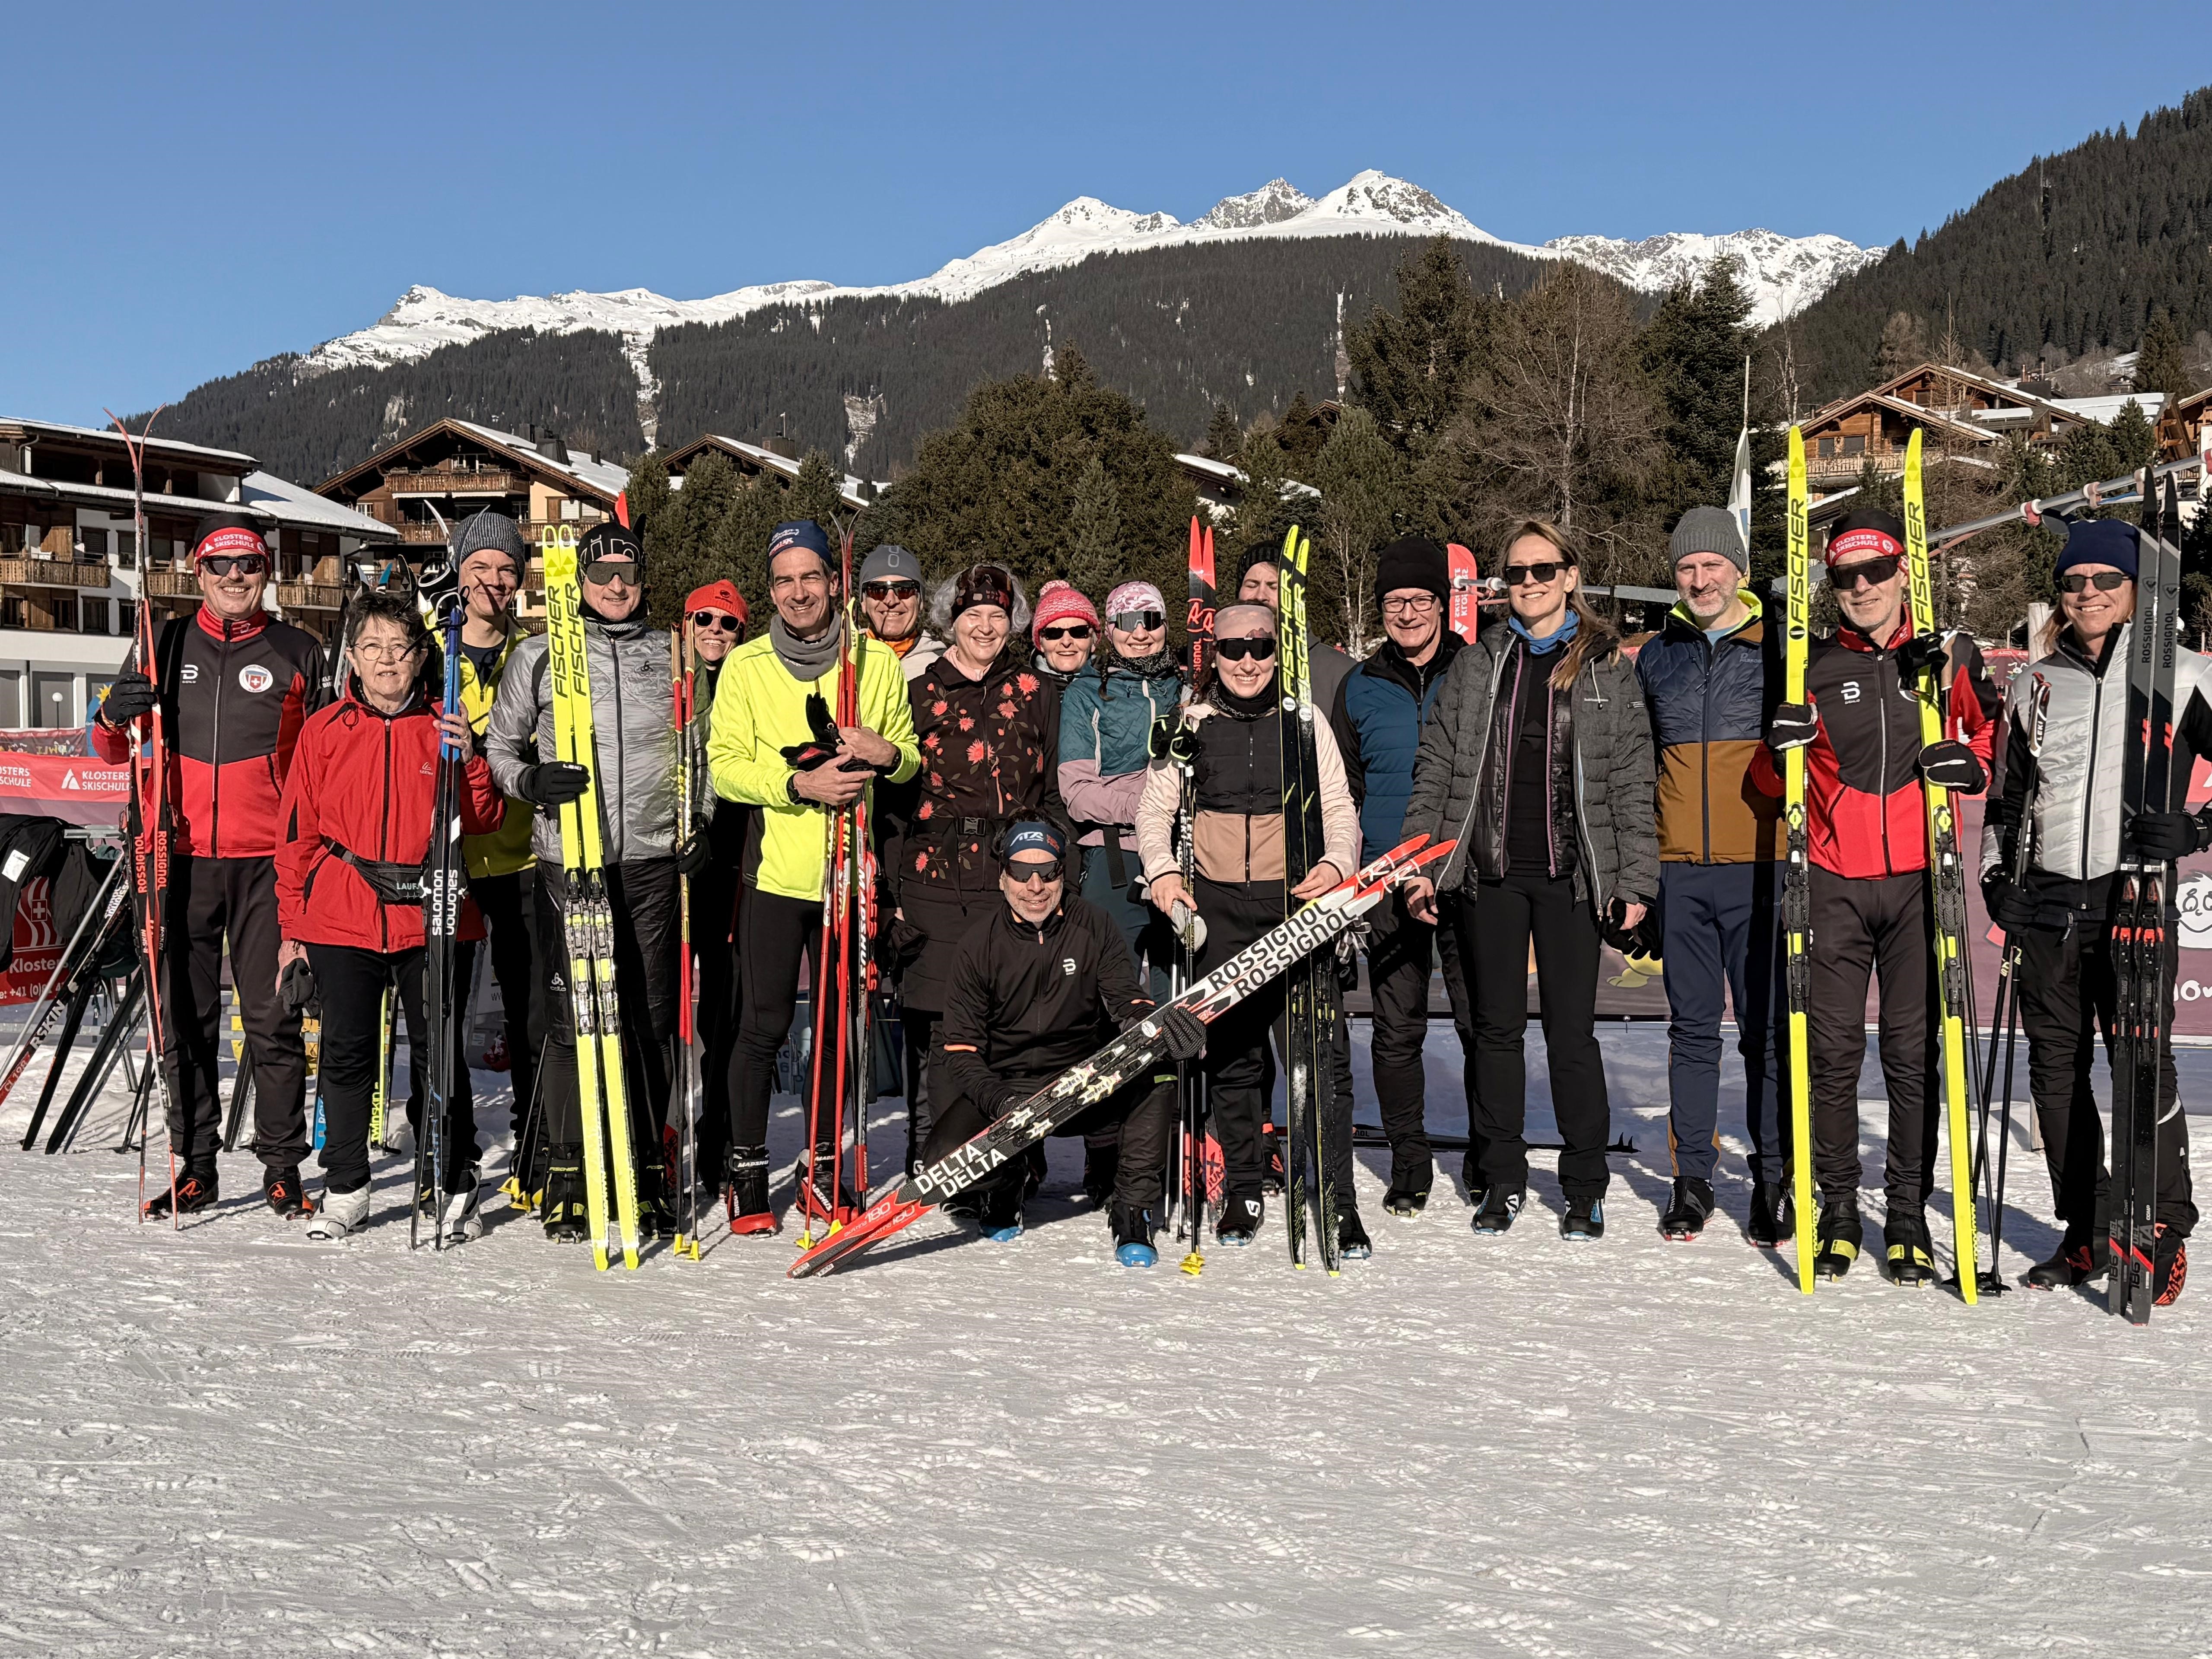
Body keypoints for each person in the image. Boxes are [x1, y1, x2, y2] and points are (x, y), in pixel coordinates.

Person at [1754, 507, 1996, 1282]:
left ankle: (1906, 1215)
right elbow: (1770, 786)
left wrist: (1969, 767)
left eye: (1876, 572)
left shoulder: (1948, 657)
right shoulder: (1812, 664)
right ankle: (1841, 1209)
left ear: (1904, 575)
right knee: (1830, 1055)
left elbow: (1989, 744)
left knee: (1909, 1056)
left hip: (1922, 884)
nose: (1862, 588)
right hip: (1832, 883)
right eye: (1846, 577)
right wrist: (1776, 745)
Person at [1398, 520, 1658, 1242]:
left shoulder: (1608, 667)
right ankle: (1504, 1179)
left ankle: (1584, 1185)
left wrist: (1635, 882)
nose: (1531, 584)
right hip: (1491, 876)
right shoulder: (1481, 664)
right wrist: (1423, 867)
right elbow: (1438, 771)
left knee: (1572, 1037)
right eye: (1516, 574)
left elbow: (1635, 783)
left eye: (1544, 570)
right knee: (1496, 1033)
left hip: (1573, 878)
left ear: (1572, 575)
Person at [1981, 518, 2205, 1300]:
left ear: (2135, 593)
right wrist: (1994, 880)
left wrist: (2197, 827)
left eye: (2105, 582)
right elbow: (2007, 801)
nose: (2088, 595)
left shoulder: (2185, 675)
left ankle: (2164, 1225)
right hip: (2047, 904)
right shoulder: (2032, 682)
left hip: (2134, 894)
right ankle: (2086, 1228)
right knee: (2054, 1076)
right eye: (2075, 583)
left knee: (2142, 1066)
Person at [91, 512, 322, 1219]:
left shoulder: (299, 650)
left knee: (273, 1020)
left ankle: (283, 1168)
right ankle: (195, 1168)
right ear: (198, 572)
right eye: (220, 565)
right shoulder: (160, 642)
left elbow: (322, 763)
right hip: (179, 861)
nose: (234, 577)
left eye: (248, 565)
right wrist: (110, 714)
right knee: (182, 1022)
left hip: (265, 867)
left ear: (266, 573)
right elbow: (109, 750)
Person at [485, 521, 694, 1242]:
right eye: (601, 575)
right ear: (581, 582)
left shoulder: (672, 654)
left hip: (650, 861)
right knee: (577, 1015)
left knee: (651, 1015)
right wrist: (530, 780)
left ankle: (645, 1164)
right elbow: (499, 748)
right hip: (568, 860)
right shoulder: (540, 655)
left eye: (627, 577)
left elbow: (700, 747)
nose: (614, 587)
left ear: (642, 581)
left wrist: (694, 825)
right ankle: (569, 1164)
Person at [708, 521, 918, 1232]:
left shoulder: (876, 664)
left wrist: (886, 754)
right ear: (773, 590)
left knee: (838, 1028)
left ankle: (824, 1166)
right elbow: (726, 768)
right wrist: (800, 787)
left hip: (848, 877)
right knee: (762, 1025)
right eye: (784, 580)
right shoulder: (746, 667)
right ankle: (745, 1169)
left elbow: (912, 759)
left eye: (812, 577)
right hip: (774, 875)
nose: (799, 592)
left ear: (836, 583)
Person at [1137, 601, 1365, 1252]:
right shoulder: (1191, 722)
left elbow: (1340, 804)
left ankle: (1338, 1201)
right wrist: (1162, 874)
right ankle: (1240, 1189)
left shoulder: (1305, 721)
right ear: (1216, 653)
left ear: (1276, 652)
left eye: (1259, 648)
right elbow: (1155, 811)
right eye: (1233, 649)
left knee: (1318, 1062)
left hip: (1293, 905)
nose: (1246, 662)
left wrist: (1334, 863)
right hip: (1219, 911)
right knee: (1233, 1060)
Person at [275, 593, 505, 1239]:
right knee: (347, 1055)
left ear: (419, 657)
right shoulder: (324, 730)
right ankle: (347, 1183)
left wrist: (474, 762)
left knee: (439, 1057)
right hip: (342, 913)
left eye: (398, 649)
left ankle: (448, 1176)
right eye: (372, 647)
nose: (385, 661)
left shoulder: (445, 722)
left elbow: (484, 821)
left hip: (429, 914)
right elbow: (295, 836)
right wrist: (292, 931)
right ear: (352, 656)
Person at [933, 820, 1198, 1260]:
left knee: (1160, 1068)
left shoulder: (1093, 924)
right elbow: (960, 1049)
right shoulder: (977, 944)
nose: (1034, 886)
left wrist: (1161, 1028)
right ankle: (1007, 1181)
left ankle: (1131, 1209)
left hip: (1082, 1081)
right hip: (1010, 1090)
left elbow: (1127, 1001)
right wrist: (998, 1101)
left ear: (1063, 874)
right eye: (1021, 872)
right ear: (1003, 877)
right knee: (942, 1165)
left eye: (1048, 872)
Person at [1634, 507, 1787, 1244]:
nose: (1700, 579)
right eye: (1687, 568)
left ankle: (1773, 1179)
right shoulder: (1657, 656)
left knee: (1763, 1032)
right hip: (1680, 872)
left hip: (1759, 866)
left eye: (1713, 566)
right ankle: (1691, 1179)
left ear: (1739, 571)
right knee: (1692, 1031)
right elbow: (1638, 769)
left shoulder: (1781, 648)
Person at [898, 564, 1068, 1176]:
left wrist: (1055, 873)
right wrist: (893, 889)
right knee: (944, 1024)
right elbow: (894, 800)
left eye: (998, 615)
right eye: (974, 615)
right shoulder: (918, 691)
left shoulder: (1036, 690)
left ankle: (1016, 1160)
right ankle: (936, 1156)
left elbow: (1049, 793)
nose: (986, 626)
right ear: (952, 620)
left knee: (1017, 1019)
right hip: (936, 875)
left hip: (1014, 876)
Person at [1328, 537, 1474, 1217]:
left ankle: (1485, 1153)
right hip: (1386, 874)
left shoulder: (1477, 670)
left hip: (1468, 870)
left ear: (1442, 604)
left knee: (1484, 1024)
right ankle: (1409, 1161)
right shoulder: (1359, 685)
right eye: (1394, 602)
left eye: (1419, 600)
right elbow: (1343, 789)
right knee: (1396, 1028)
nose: (1407, 613)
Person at [1058, 578, 1183, 1205]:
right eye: (1128, 620)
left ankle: (1166, 1147)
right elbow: (1077, 789)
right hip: (1112, 856)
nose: (1141, 631)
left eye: (1152, 617)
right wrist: (1153, 803)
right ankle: (1105, 1149)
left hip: (1184, 863)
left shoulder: (1188, 685)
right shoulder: (1088, 690)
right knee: (1111, 1003)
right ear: (1109, 630)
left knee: (1171, 1002)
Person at [438, 512, 543, 1203]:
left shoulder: (537, 654)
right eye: (482, 567)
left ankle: (534, 1151)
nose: (495, 581)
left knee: (531, 1013)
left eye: (507, 569)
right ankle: (450, 1152)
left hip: (522, 855)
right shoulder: (429, 651)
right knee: (442, 1016)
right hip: (442, 860)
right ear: (460, 569)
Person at [682, 578, 750, 1191]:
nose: (714, 632)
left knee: (723, 1015)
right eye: (703, 620)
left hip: (728, 861)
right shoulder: (667, 684)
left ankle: (718, 1139)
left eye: (727, 624)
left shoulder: (746, 683)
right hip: (668, 863)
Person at [1236, 546, 1354, 717]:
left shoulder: (1342, 674)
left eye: (1274, 586)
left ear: (1296, 595)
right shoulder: (1225, 669)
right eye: (1252, 585)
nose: (1260, 595)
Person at [858, 543, 942, 680]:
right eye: (878, 590)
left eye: (904, 590)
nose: (891, 601)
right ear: (864, 602)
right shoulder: (844, 661)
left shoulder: (944, 667)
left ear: (920, 601)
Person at [1032, 580, 1099, 688]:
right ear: (1041, 643)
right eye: (1054, 633)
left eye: (1079, 632)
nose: (1066, 642)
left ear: (1094, 641)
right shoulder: (1019, 692)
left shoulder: (1116, 689)